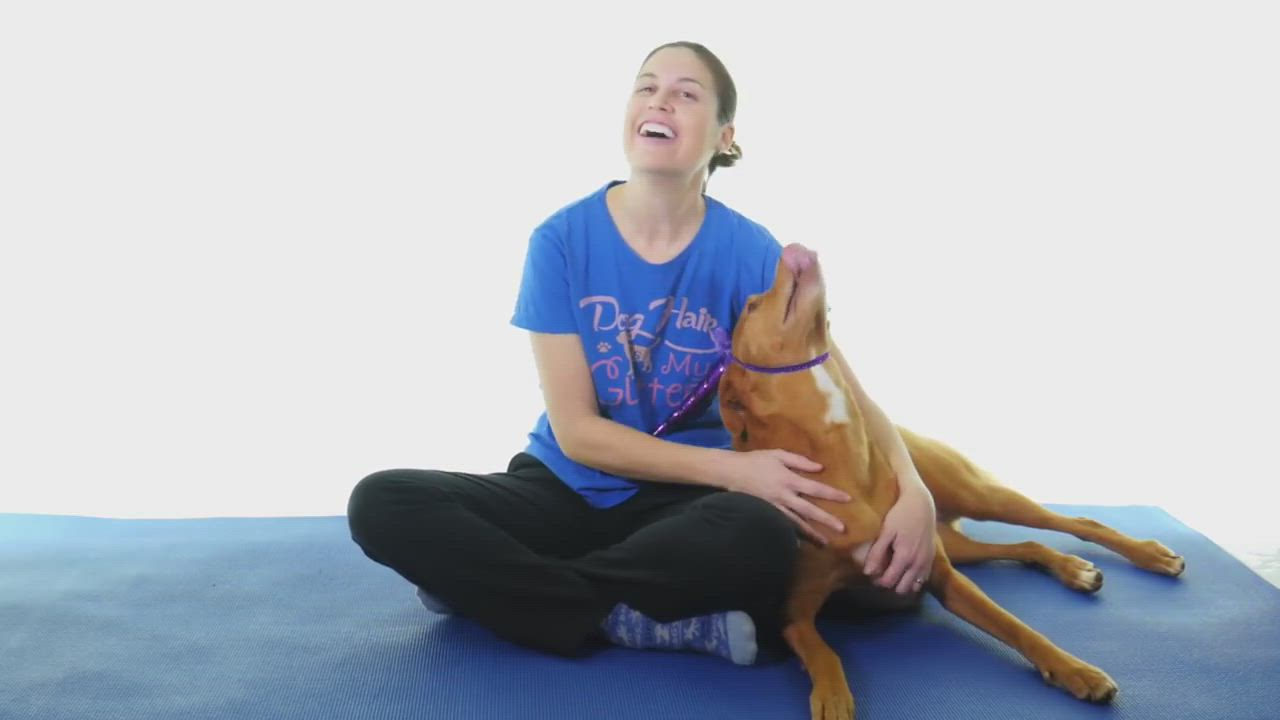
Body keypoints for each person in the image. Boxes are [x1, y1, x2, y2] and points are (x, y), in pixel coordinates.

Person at [346, 40, 937, 666]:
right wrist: (737, 472)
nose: (659, 101)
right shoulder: (560, 240)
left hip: (686, 502)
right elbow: (577, 433)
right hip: (567, 485)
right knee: (383, 501)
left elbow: (845, 390)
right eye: (646, 87)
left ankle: (504, 591)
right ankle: (626, 617)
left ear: (725, 137)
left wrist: (915, 493)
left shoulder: (751, 251)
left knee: (761, 536)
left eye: (686, 94)